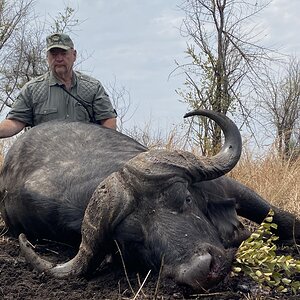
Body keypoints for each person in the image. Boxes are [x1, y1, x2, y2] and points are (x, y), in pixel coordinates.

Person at [0, 32, 117, 138]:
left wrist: (102, 146)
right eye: (54, 54)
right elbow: (15, 122)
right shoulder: (32, 89)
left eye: (63, 53)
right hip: (44, 157)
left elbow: (108, 119)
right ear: (47, 57)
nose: (59, 59)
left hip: (85, 155)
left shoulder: (93, 87)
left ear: (74, 55)